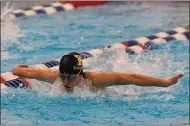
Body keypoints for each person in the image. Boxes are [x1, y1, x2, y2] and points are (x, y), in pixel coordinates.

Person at [12, 52, 184, 92]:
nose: (66, 81)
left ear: (80, 74)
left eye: (71, 76)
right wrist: (21, 66)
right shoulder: (52, 76)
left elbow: (131, 78)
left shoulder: (96, 80)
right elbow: (17, 70)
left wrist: (165, 82)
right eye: (63, 75)